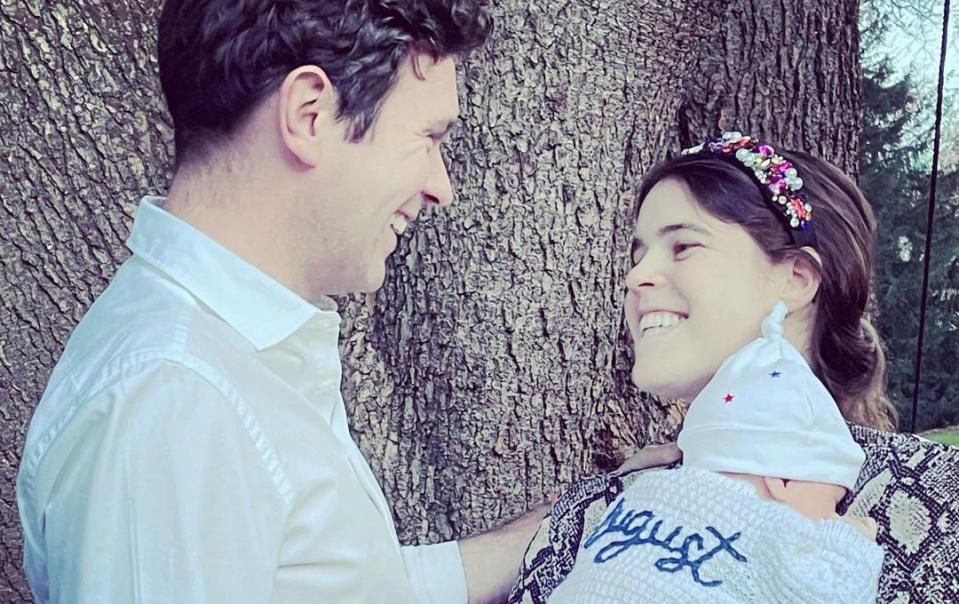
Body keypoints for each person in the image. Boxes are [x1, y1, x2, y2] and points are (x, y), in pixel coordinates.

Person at [19, 2, 687, 602]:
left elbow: (346, 584)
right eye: (427, 138)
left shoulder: (236, 353)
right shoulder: (173, 402)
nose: (440, 186)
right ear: (309, 115)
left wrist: (591, 514)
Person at [507, 131, 899, 602]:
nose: (635, 277)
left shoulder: (926, 513)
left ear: (796, 279)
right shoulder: (626, 493)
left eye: (683, 246)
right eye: (638, 254)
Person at [547, 301, 885, 603]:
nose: (834, 516)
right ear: (781, 480)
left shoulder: (642, 494)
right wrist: (851, 544)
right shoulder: (770, 534)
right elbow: (833, 594)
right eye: (832, 503)